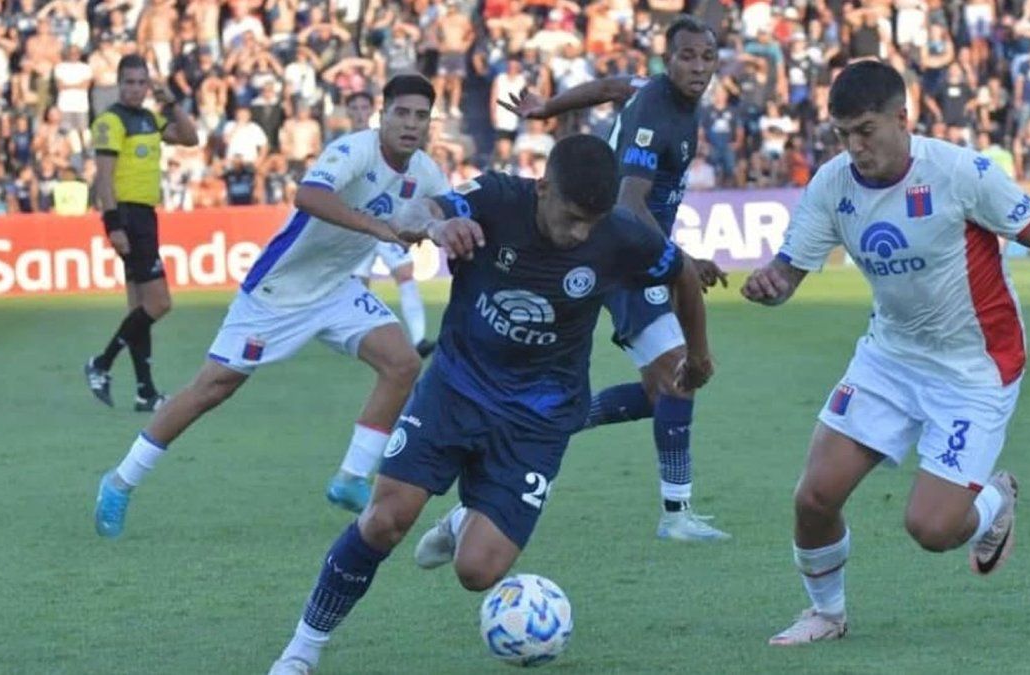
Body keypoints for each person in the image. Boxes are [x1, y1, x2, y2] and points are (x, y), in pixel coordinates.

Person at [266, 134, 713, 675]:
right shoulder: (498, 198)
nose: (580, 234)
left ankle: (462, 523)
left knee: (477, 571)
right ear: (543, 187)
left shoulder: (618, 235)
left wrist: (698, 354)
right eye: (572, 218)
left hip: (540, 417)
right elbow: (415, 212)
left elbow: (682, 273)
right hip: (456, 388)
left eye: (591, 224)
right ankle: (302, 650)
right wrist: (436, 226)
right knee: (385, 520)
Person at [740, 60, 1030, 646]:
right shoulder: (833, 184)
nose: (854, 147)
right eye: (842, 134)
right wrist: (772, 284)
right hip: (889, 357)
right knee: (814, 497)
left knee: (932, 528)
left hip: (975, 367)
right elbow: (788, 272)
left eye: (865, 131)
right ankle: (827, 614)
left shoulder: (960, 172)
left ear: (903, 118)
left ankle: (996, 498)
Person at [93, 75, 450, 539]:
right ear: (383, 116)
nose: (411, 124)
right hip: (278, 291)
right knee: (212, 388)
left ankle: (350, 478)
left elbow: (448, 208)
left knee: (403, 363)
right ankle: (120, 481)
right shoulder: (354, 150)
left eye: (420, 116)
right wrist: (376, 227)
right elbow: (309, 196)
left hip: (335, 289)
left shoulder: (425, 171)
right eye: (401, 113)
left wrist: (436, 225)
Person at [499, 15, 730, 541]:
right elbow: (629, 205)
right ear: (667, 60)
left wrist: (546, 108)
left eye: (707, 58)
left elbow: (607, 87)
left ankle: (550, 421)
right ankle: (676, 515)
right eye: (687, 56)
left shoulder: (655, 90)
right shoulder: (657, 114)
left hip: (634, 251)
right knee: (680, 372)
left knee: (658, 392)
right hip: (626, 254)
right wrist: (682, 260)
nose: (698, 67)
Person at [83, 54, 198, 411]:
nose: (135, 89)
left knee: (138, 308)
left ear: (149, 86)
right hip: (128, 216)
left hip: (146, 215)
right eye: (129, 82)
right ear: (119, 84)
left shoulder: (149, 118)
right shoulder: (111, 121)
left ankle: (145, 392)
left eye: (141, 83)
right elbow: (104, 177)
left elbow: (190, 137)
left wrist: (171, 102)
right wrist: (113, 224)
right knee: (159, 303)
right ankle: (101, 363)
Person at [348, 91, 437, 357]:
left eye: (364, 107)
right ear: (348, 112)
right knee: (359, 283)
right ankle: (360, 338)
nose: (360, 112)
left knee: (405, 272)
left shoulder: (384, 141)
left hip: (389, 221)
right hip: (357, 224)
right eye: (355, 108)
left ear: (374, 111)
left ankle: (419, 339)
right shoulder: (343, 146)